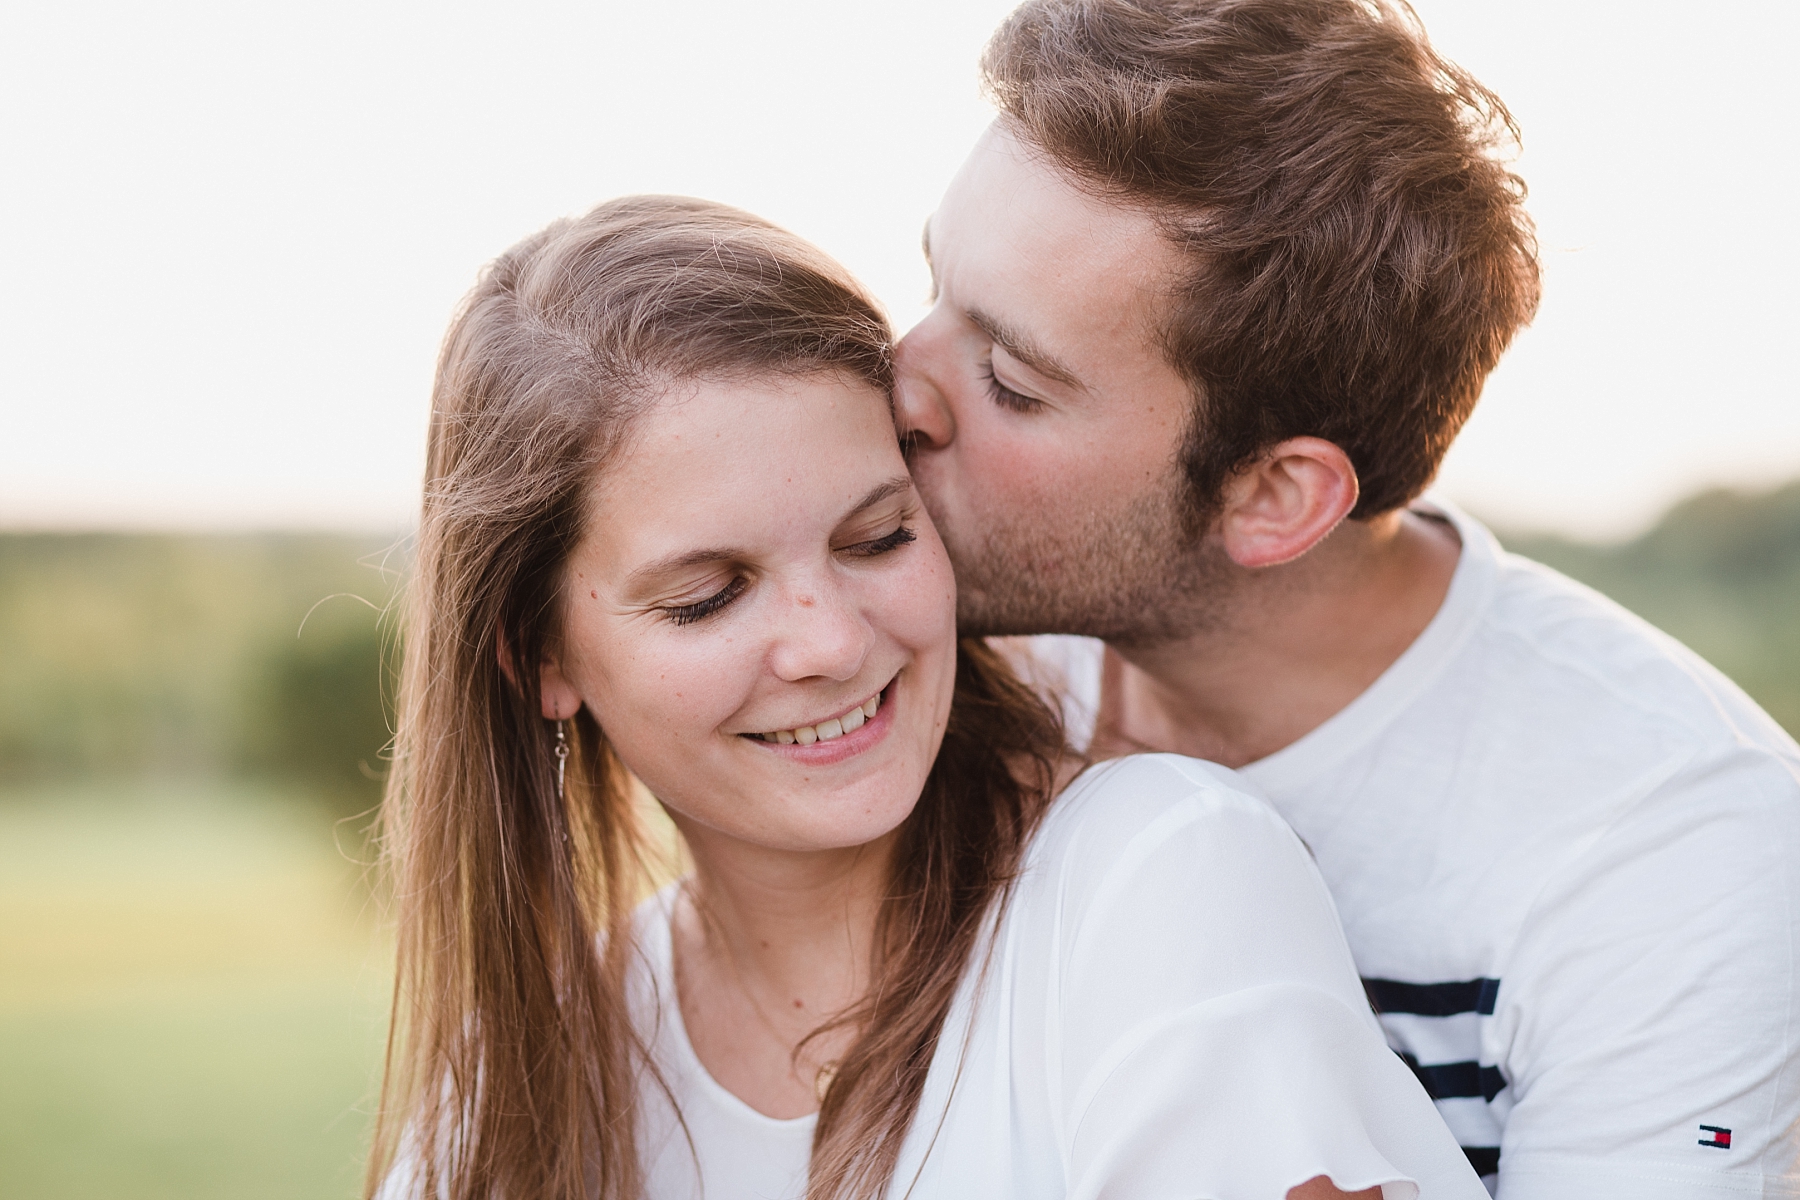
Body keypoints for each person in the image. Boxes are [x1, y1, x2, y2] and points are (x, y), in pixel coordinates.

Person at [366, 195, 1488, 1200]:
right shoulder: (519, 1071)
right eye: (710, 596)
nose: (833, 642)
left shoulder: (1155, 886)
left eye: (879, 537)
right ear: (539, 658)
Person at [892, 0, 1800, 1196]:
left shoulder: (1672, 855)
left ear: (1274, 497)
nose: (900, 385)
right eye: (932, 288)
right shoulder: (921, 673)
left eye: (1010, 380)